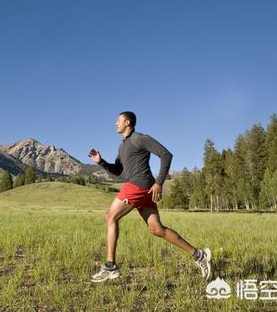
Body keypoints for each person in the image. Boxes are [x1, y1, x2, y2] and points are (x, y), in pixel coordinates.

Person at [87, 111, 211, 283]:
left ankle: (110, 266)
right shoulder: (122, 146)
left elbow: (166, 155)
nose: (116, 123)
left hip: (139, 184)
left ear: (127, 122)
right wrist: (100, 161)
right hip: (142, 188)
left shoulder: (139, 138)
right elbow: (118, 170)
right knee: (157, 229)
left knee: (110, 216)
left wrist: (159, 182)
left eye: (118, 121)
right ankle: (199, 255)